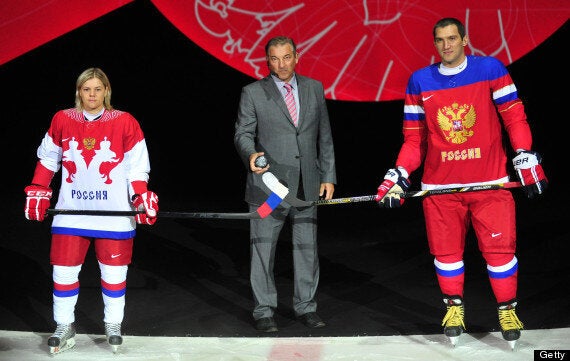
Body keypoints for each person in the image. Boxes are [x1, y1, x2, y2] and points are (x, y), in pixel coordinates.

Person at [375, 18, 547, 348]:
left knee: (500, 254)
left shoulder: (490, 69)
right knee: (447, 255)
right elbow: (414, 141)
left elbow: (514, 115)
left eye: (452, 38)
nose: (446, 45)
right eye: (440, 40)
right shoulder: (419, 81)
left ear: (464, 40)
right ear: (434, 43)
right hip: (440, 190)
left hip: (490, 185)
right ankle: (454, 309)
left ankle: (507, 311)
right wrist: (397, 175)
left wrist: (524, 154)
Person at [24, 67, 159, 354]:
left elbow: (136, 166)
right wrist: (38, 187)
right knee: (63, 272)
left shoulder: (125, 121)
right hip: (72, 211)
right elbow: (49, 158)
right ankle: (64, 325)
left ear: (106, 91)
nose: (92, 95)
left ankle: (113, 325)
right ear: (79, 92)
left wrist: (140, 196)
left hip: (114, 214)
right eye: (87, 89)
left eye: (98, 89)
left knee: (113, 274)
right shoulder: (62, 118)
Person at [234, 36, 336, 332]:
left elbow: (324, 136)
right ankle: (264, 310)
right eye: (275, 59)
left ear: (297, 56)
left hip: (307, 183)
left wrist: (328, 176)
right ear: (267, 61)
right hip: (268, 186)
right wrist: (250, 153)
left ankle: (306, 307)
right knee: (263, 248)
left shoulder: (314, 88)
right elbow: (242, 133)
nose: (281, 64)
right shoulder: (252, 92)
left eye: (286, 57)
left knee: (306, 248)